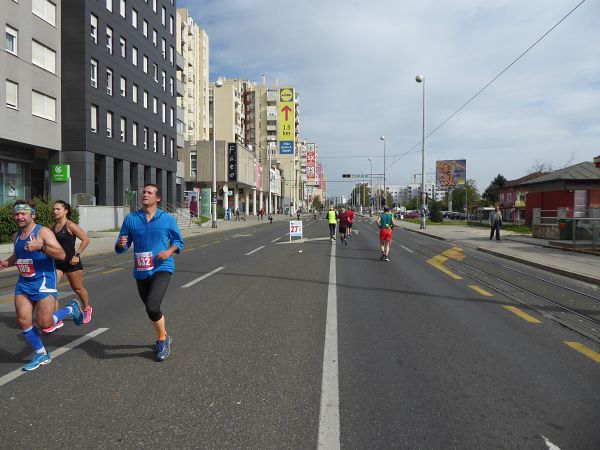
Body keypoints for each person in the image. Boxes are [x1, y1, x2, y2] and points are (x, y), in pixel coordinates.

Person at [0, 201, 83, 371]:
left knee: (45, 323)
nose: (19, 217)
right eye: (17, 214)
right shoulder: (16, 236)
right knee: (24, 321)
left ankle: (70, 309)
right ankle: (41, 354)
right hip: (24, 284)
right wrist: (5, 263)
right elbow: (18, 255)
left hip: (44, 282)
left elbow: (61, 254)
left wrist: (42, 247)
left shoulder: (43, 232)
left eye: (23, 213)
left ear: (32, 215)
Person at [115, 184, 183, 362]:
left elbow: (178, 241)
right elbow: (122, 244)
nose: (145, 194)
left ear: (157, 198)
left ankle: (161, 340)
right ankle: (164, 334)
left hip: (162, 267)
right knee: (151, 310)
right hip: (141, 270)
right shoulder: (131, 219)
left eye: (149, 192)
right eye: (144, 192)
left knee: (152, 306)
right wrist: (121, 244)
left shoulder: (167, 219)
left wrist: (168, 251)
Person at [43, 200, 93, 333]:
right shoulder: (52, 226)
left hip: (72, 262)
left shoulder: (70, 225)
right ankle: (56, 318)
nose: (55, 211)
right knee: (51, 290)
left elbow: (86, 239)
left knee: (77, 288)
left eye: (58, 209)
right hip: (57, 263)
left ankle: (87, 308)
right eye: (54, 209)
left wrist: (77, 254)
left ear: (65, 211)